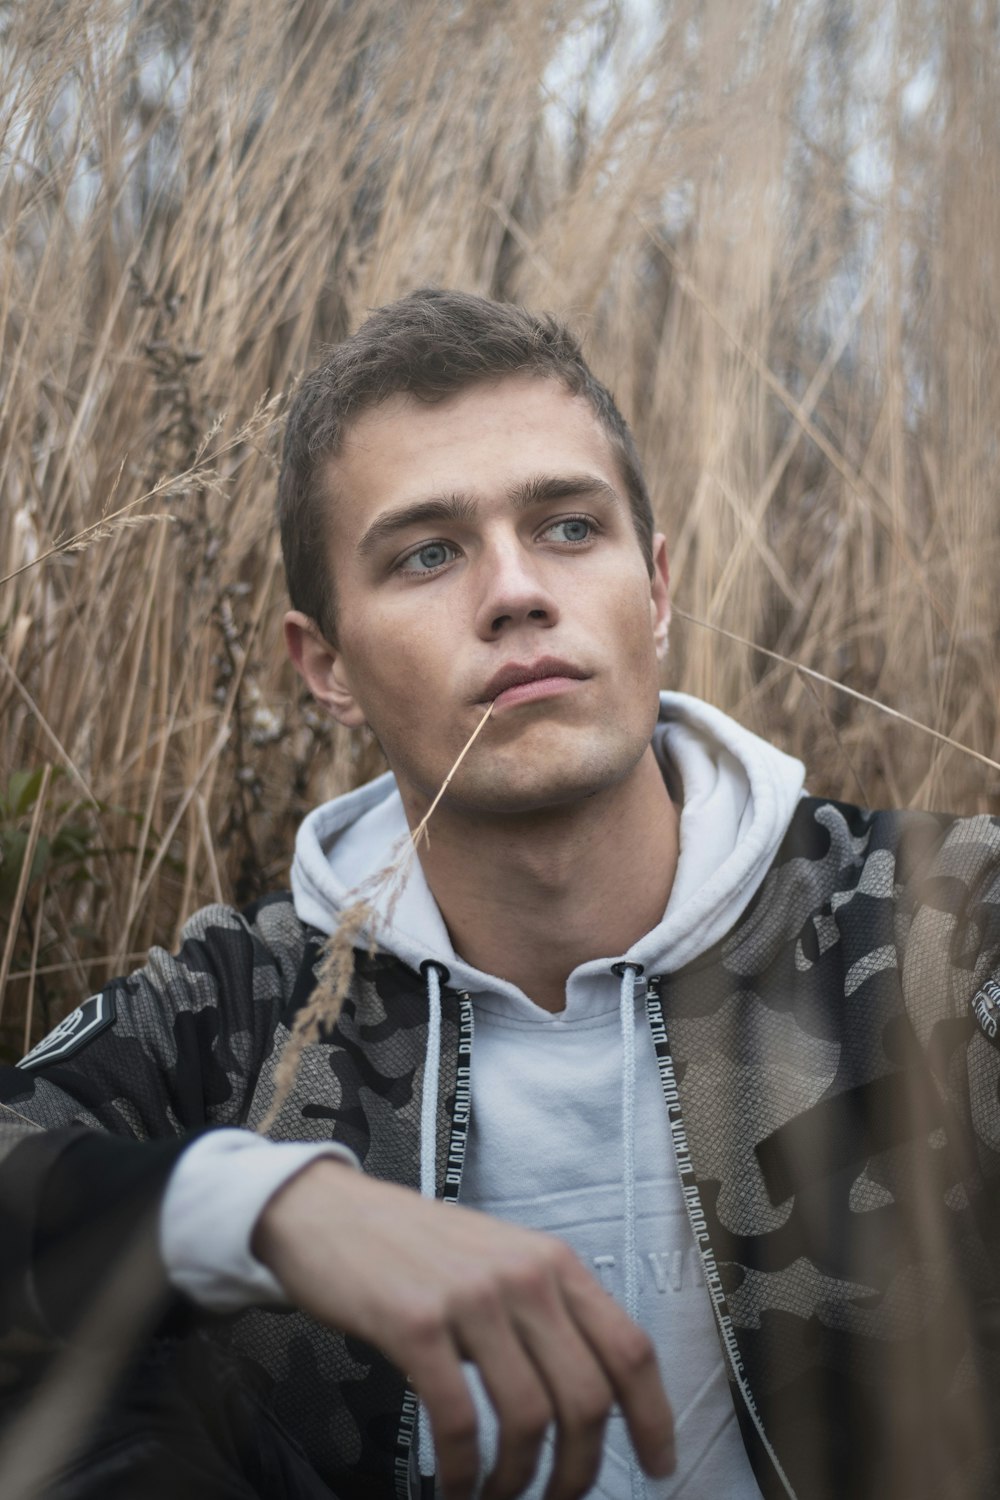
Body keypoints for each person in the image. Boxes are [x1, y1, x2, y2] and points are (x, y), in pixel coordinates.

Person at [2, 288, 1000, 1500]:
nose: (516, 591)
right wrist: (268, 1207)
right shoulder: (242, 1015)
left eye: (570, 528)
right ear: (325, 666)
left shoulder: (935, 927)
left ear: (660, 585)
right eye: (428, 552)